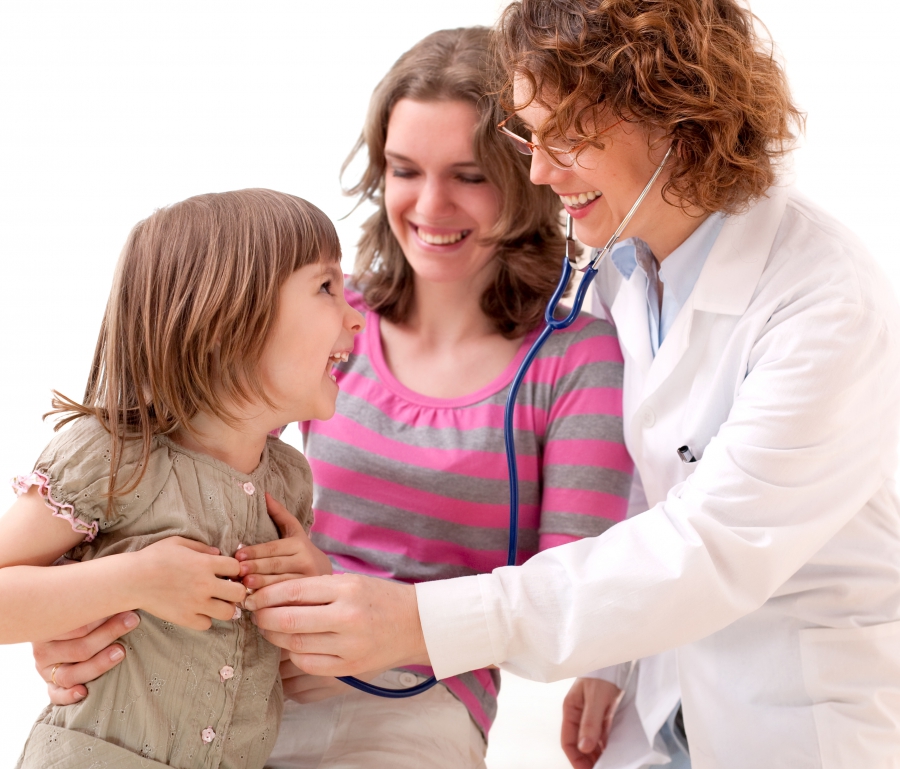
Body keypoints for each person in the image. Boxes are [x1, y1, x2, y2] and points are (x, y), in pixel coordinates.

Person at [241, 2, 900, 769]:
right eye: (532, 135)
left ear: (679, 121)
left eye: (569, 139)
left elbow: (710, 544)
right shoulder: (626, 264)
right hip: (659, 694)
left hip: (791, 709)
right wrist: (612, 663)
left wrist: (416, 621)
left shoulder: (824, 305)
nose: (539, 171)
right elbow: (654, 469)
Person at [31, 26, 637, 769]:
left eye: (470, 175)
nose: (431, 204)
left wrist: (388, 626)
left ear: (530, 174)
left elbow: (576, 592)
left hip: (419, 694)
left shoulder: (574, 358)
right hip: (250, 670)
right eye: (405, 169)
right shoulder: (329, 320)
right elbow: (176, 470)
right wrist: (76, 616)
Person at [3, 189, 362, 767]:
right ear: (226, 321)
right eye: (325, 287)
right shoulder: (114, 454)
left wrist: (312, 599)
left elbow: (285, 674)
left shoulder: (289, 481)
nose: (354, 316)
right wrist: (134, 580)